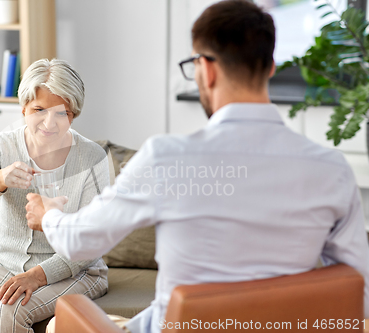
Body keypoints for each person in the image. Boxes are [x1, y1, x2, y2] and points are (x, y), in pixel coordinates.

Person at [25, 1, 369, 333]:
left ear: (206, 68)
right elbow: (359, 292)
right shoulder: (331, 170)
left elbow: (81, 241)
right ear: (270, 67)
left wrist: (49, 214)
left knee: (61, 321)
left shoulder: (167, 158)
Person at [0, 59, 109, 333]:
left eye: (62, 113)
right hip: (3, 260)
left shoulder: (92, 157)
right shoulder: (0, 146)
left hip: (76, 268)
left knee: (7, 313)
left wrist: (37, 275)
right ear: (23, 108)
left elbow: (92, 241)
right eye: (39, 110)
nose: (50, 123)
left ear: (73, 115)